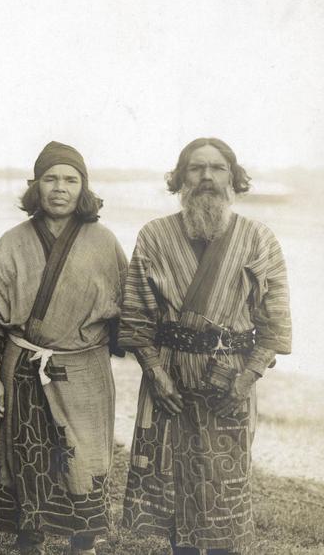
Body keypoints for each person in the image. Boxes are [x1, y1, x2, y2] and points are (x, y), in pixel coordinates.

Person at [120, 138, 292, 555]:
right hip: (168, 379)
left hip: (231, 380)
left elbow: (276, 322)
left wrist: (247, 377)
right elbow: (136, 317)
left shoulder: (258, 239)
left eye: (218, 168)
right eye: (197, 168)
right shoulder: (154, 236)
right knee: (171, 491)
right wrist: (156, 374)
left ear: (233, 178)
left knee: (223, 493)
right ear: (181, 177)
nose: (208, 177)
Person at [0, 142, 126, 555]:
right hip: (22, 368)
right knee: (27, 458)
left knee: (86, 461)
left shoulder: (105, 242)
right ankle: (30, 543)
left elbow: (126, 313)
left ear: (83, 187)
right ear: (35, 186)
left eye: (70, 180)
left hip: (85, 371)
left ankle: (83, 545)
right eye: (50, 178)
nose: (60, 188)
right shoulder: (12, 242)